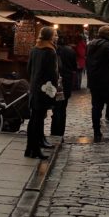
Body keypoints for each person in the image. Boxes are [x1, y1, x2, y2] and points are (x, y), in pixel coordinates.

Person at [26, 26, 58, 158]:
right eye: (55, 35)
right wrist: (54, 89)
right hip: (44, 90)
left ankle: (30, 148)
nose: (56, 37)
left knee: (34, 118)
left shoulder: (35, 49)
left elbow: (28, 69)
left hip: (34, 88)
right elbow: (52, 74)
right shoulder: (50, 51)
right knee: (37, 120)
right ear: (50, 37)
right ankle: (35, 150)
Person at [51, 33, 77, 137]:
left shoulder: (53, 50)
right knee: (62, 108)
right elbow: (74, 67)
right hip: (66, 81)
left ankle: (54, 131)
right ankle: (60, 132)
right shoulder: (70, 51)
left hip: (56, 81)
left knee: (56, 108)